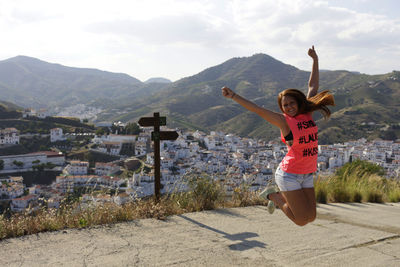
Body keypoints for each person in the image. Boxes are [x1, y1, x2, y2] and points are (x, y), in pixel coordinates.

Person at [221, 46, 335, 226]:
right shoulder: (285, 122)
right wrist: (234, 95)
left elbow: (313, 86)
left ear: (298, 103)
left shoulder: (307, 114)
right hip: (288, 174)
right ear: (281, 109)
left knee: (311, 217)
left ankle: (277, 196)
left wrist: (315, 60)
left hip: (306, 173)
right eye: (284, 105)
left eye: (291, 103)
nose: (289, 107)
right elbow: (257, 109)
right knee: (300, 220)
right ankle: (274, 197)